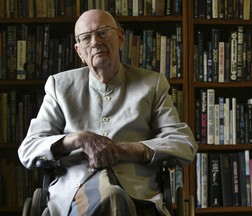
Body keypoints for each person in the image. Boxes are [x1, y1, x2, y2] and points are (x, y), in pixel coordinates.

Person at [18, 9, 198, 216]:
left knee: (114, 196)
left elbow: (184, 144)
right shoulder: (60, 86)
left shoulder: (152, 84)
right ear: (79, 51)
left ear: (121, 38)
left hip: (137, 196)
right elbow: (28, 149)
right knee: (112, 197)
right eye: (86, 38)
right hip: (73, 196)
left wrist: (124, 150)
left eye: (103, 32)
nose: (95, 42)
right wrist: (78, 139)